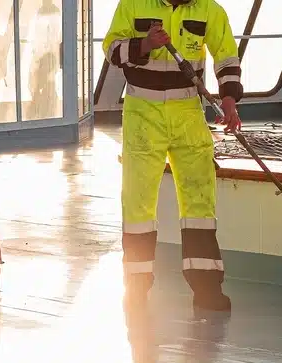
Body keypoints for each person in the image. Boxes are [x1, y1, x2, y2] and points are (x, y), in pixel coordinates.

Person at [103, 0, 242, 311]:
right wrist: (146, 44)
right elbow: (112, 50)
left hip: (188, 115)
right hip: (143, 116)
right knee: (138, 202)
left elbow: (226, 56)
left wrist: (230, 100)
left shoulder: (210, 10)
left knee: (199, 202)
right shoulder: (132, 5)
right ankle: (135, 288)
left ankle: (207, 289)